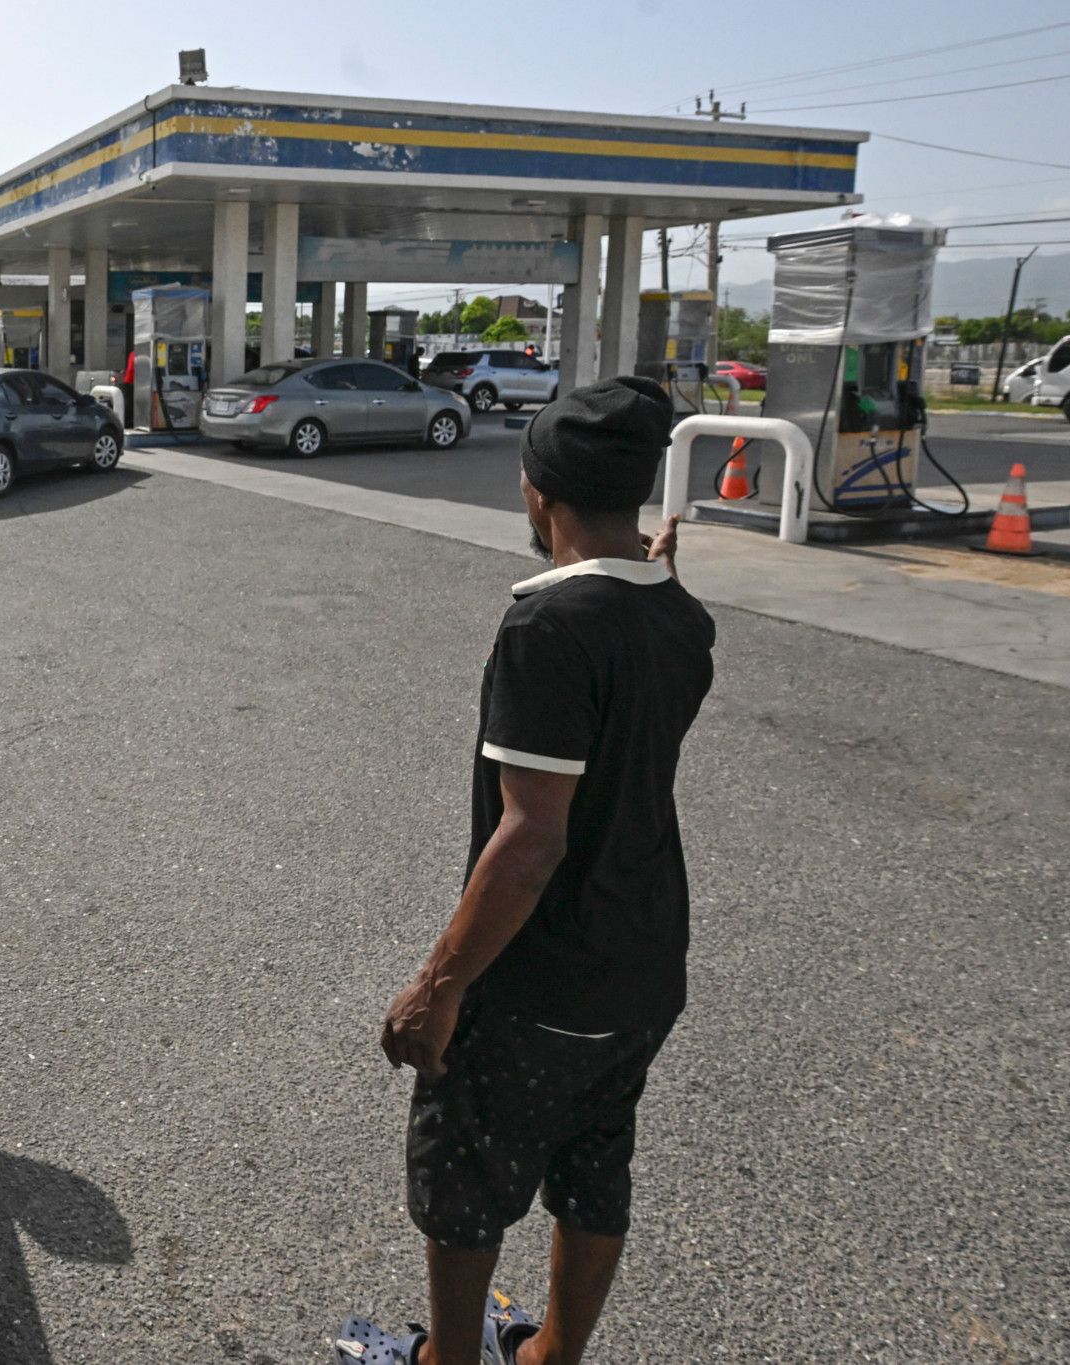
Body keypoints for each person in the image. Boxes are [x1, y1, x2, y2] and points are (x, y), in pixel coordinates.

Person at [336, 377, 716, 1365]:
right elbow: (643, 640)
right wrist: (654, 572)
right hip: (644, 963)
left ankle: (446, 1361)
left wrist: (436, 985)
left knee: (464, 1178)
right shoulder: (678, 616)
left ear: (538, 493)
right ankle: (548, 1355)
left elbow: (530, 836)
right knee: (595, 1165)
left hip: (543, 977)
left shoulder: (548, 628)